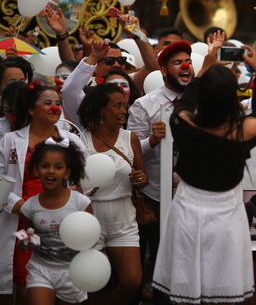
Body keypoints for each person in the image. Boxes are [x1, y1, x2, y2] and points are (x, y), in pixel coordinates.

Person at [153, 33, 256, 304]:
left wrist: (205, 67)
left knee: (183, 286)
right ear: (232, 97)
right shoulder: (245, 131)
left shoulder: (182, 124)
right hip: (227, 219)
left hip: (186, 215)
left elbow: (184, 103)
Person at [0, 82, 86, 305]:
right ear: (30, 109)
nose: (55, 108)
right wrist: (15, 203)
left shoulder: (73, 141)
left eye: (58, 104)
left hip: (62, 219)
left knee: (64, 282)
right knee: (27, 286)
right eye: (47, 103)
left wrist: (75, 192)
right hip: (24, 220)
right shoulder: (10, 140)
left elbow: (84, 178)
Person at [127, 39, 195, 302]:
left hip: (193, 197)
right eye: (177, 62)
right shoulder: (145, 105)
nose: (185, 65)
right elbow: (131, 153)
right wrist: (153, 140)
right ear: (164, 70)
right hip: (155, 198)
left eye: (187, 61)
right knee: (160, 263)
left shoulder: (202, 103)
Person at [78, 82, 148, 304]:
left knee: (132, 281)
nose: (123, 111)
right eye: (117, 106)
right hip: (90, 216)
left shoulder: (130, 138)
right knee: (93, 284)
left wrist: (141, 179)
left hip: (123, 216)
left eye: (124, 105)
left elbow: (143, 178)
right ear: (101, 109)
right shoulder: (81, 140)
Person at [19, 140, 90, 305]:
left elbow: (91, 239)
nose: (51, 171)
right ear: (36, 170)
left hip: (72, 271)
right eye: (45, 166)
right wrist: (25, 243)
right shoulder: (29, 206)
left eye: (58, 167)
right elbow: (29, 235)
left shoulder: (81, 203)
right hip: (40, 269)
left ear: (67, 173)